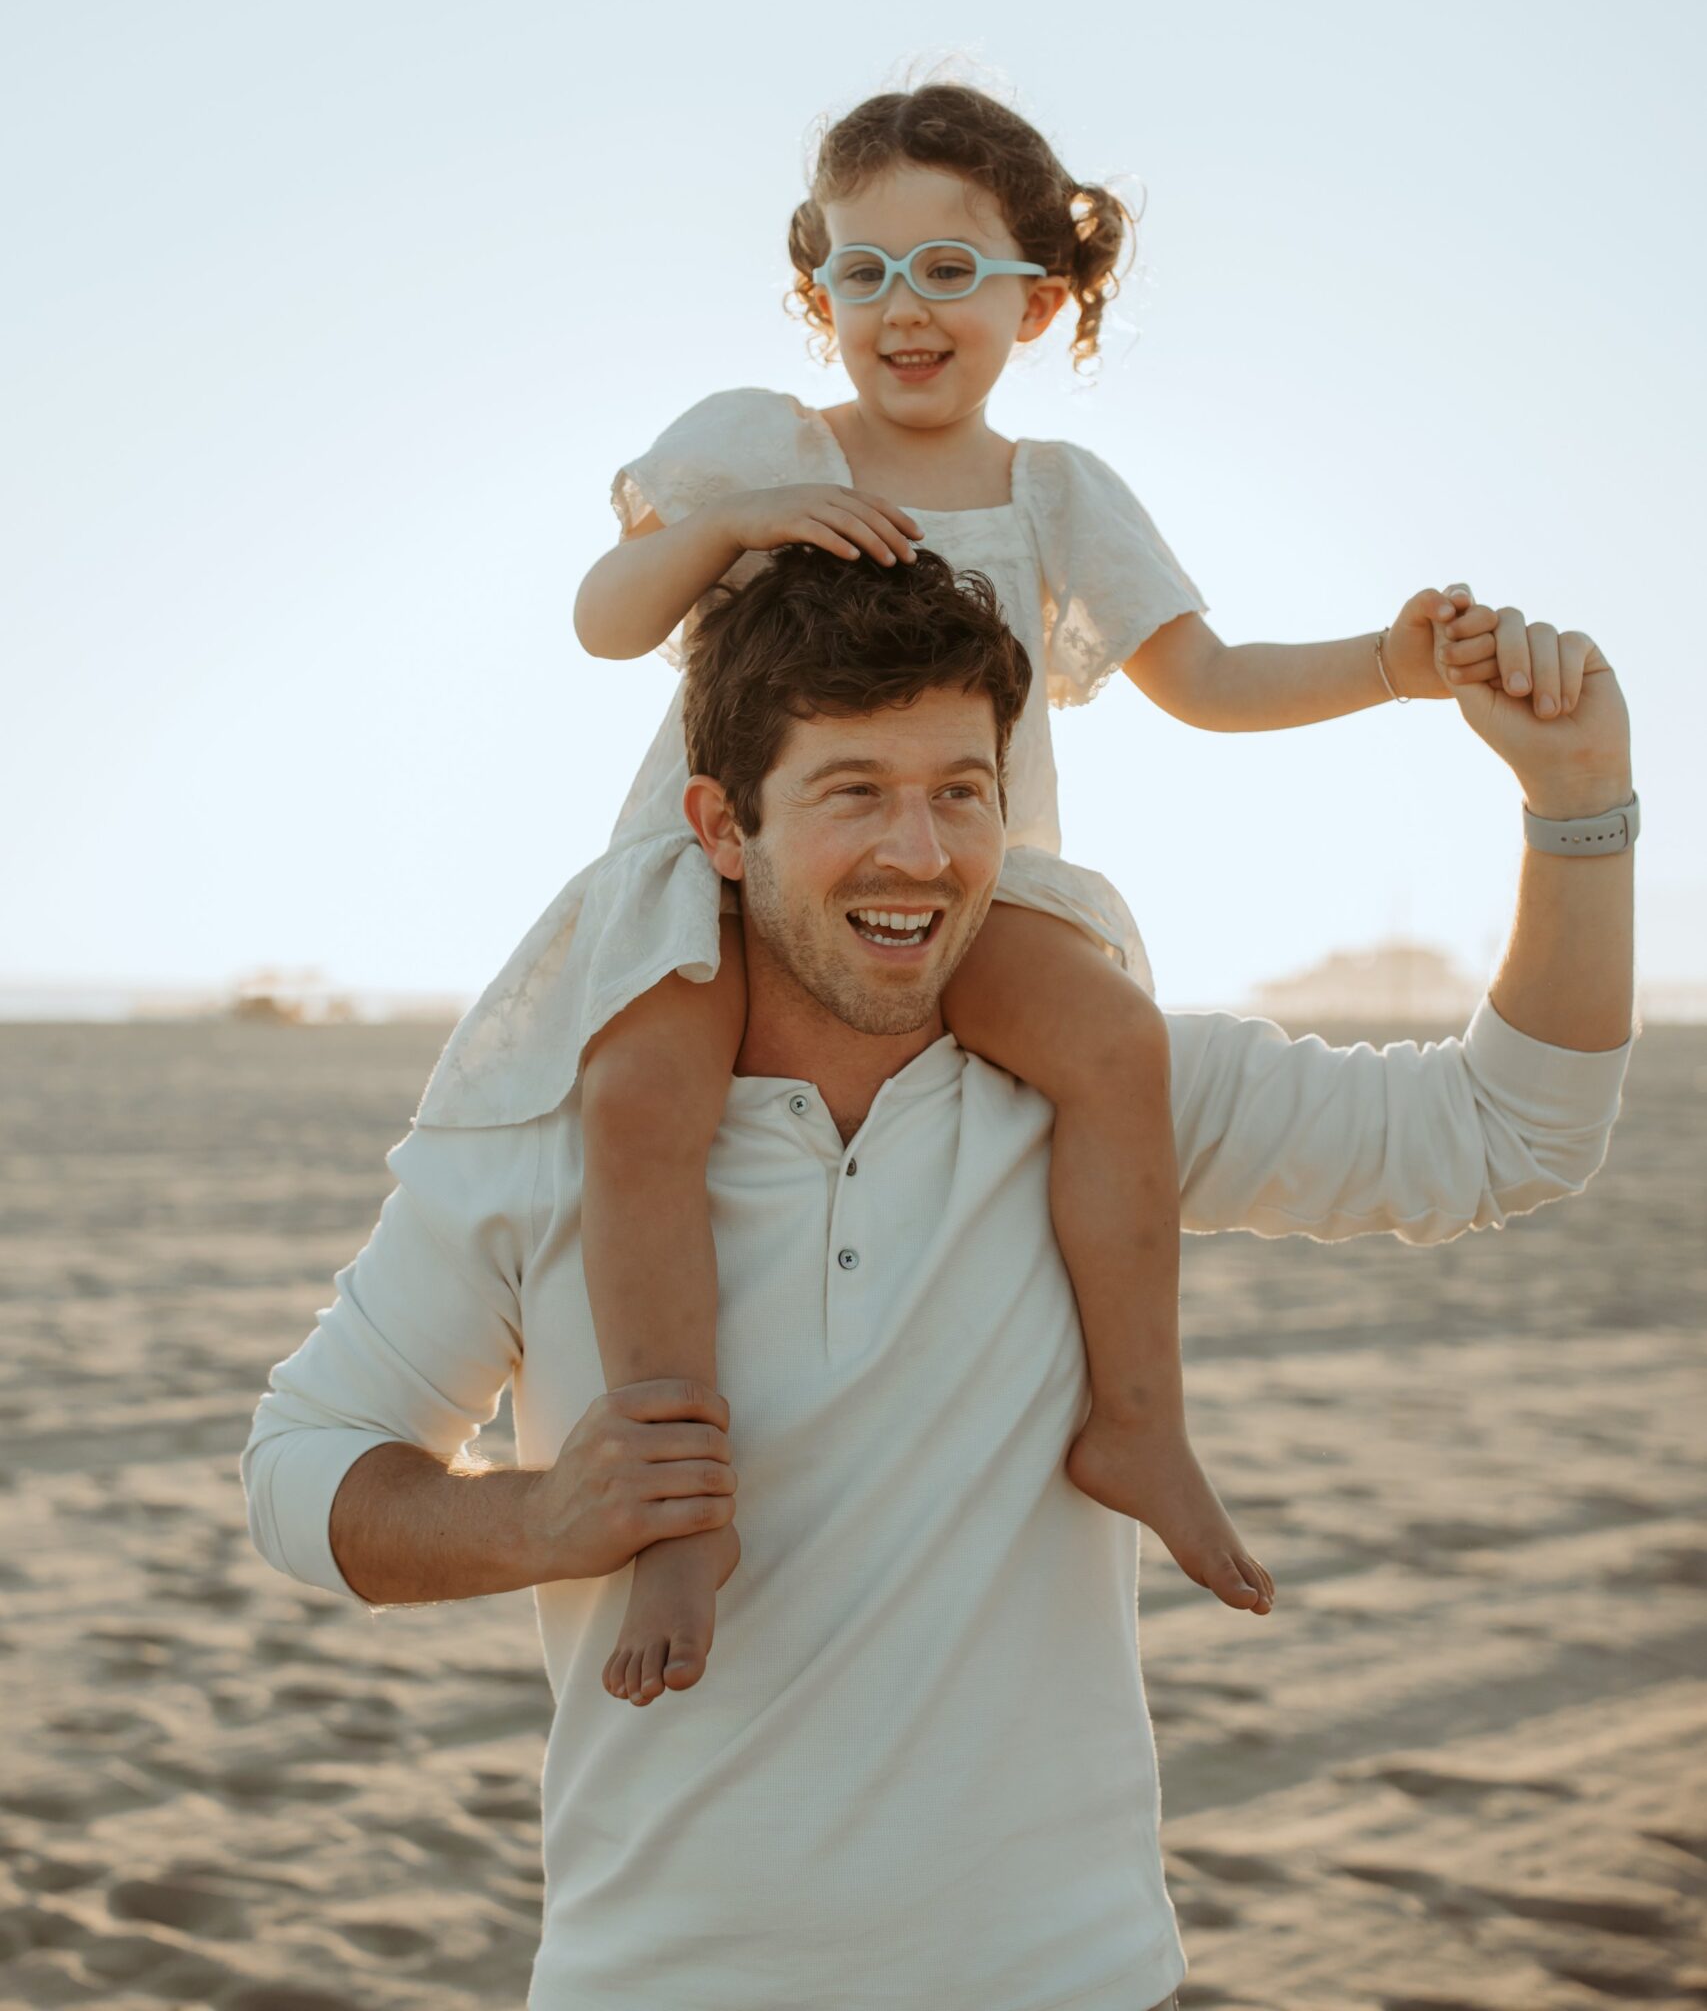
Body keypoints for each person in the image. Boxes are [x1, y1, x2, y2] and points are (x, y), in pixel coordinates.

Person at [242, 543, 1635, 2011]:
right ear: (723, 825)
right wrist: (546, 1515)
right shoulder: (549, 1137)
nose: (921, 852)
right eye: (854, 792)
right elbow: (301, 1472)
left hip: (1079, 1983)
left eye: (960, 792)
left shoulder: (1109, 1093)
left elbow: (1507, 1139)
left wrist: (1580, 805)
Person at [412, 80, 1570, 1705]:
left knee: (1114, 1047)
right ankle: (679, 1511)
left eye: (951, 271)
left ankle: (1140, 1423)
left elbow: (1210, 679)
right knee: (637, 1105)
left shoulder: (1059, 498)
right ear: (818, 294)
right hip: (725, 874)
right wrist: (735, 524)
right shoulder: (760, 444)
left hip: (965, 884)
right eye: (865, 271)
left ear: (1037, 295)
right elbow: (609, 620)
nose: (905, 309)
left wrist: (1390, 665)